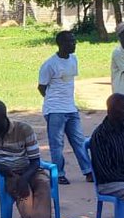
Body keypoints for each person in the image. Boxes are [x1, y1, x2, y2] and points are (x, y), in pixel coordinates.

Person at [38, 30, 93, 184]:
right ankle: (59, 174)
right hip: (55, 110)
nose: (74, 44)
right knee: (57, 144)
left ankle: (88, 171)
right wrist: (54, 102)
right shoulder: (50, 64)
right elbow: (42, 87)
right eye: (71, 41)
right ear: (61, 44)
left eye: (74, 41)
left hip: (71, 108)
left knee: (79, 141)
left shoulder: (73, 60)